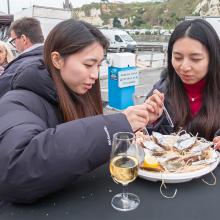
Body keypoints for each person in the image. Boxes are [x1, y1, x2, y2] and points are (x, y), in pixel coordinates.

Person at [0, 19, 161, 204]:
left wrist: (139, 120)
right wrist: (119, 123)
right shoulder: (17, 101)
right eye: (88, 64)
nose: (95, 74)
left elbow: (86, 137)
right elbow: (16, 170)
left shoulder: (78, 92)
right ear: (57, 59)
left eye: (99, 65)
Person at [145, 19, 220, 149]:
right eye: (178, 58)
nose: (184, 67)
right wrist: (149, 122)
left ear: (213, 58)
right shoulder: (159, 92)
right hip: (169, 168)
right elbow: (148, 144)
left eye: (195, 59)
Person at [0, 17, 44, 97]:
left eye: (13, 41)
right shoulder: (53, 60)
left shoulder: (18, 67)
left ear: (23, 39)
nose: (14, 46)